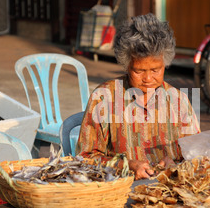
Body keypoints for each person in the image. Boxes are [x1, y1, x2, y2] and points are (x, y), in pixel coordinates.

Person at [76, 13, 200, 180]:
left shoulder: (179, 101)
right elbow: (84, 158)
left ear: (165, 64)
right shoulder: (104, 98)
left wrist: (175, 165)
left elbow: (198, 157)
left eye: (156, 70)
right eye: (139, 71)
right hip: (120, 192)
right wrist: (125, 165)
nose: (148, 79)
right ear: (126, 65)